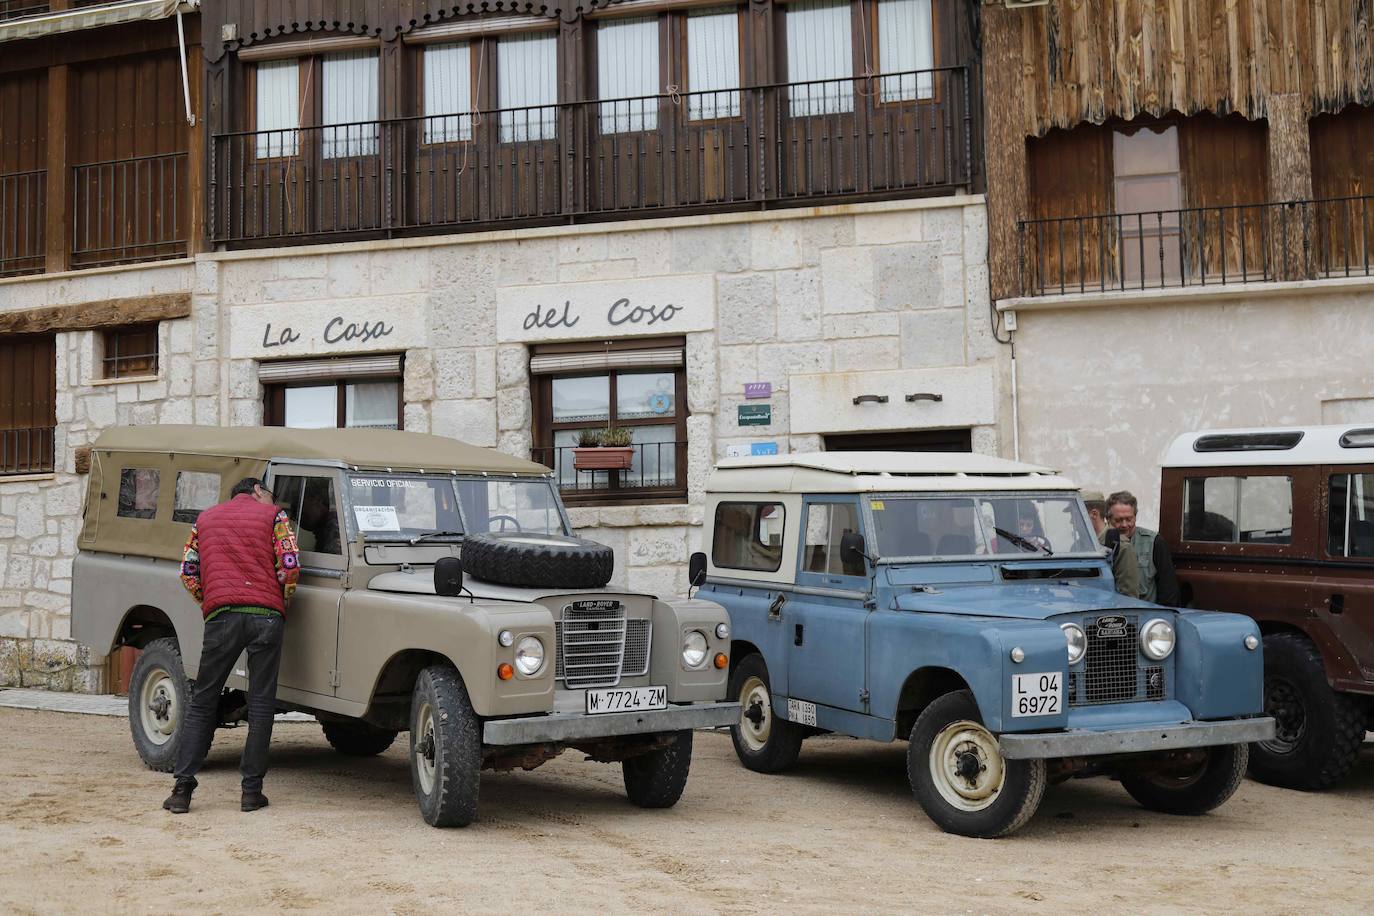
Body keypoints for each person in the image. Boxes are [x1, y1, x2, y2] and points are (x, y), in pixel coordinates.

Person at [163, 477, 300, 815]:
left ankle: (182, 789)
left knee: (203, 701)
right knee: (262, 704)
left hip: (221, 617)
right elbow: (290, 564)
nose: (271, 499)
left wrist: (210, 602)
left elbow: (188, 572)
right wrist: (281, 602)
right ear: (256, 490)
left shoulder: (205, 519)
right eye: (268, 493)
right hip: (266, 616)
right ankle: (251, 792)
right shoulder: (274, 517)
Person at [1107, 490, 1180, 606]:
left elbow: (1168, 588)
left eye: (1129, 519)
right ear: (1108, 519)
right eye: (1118, 520)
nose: (1125, 525)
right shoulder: (1099, 544)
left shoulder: (1154, 542)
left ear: (1135, 516)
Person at [1082, 490, 1141, 599]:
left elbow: (1128, 596)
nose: (1072, 520)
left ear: (1094, 514)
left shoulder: (1121, 546)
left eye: (1075, 514)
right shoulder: (1079, 545)